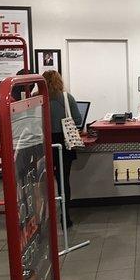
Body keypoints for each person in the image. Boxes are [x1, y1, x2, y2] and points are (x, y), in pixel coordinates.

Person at [42, 70, 81, 227]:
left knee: (43, 181)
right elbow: (77, 120)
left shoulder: (37, 98)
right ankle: (65, 217)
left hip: (45, 142)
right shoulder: (67, 98)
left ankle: (44, 216)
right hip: (65, 142)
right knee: (63, 180)